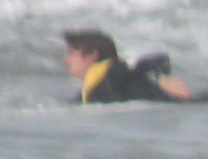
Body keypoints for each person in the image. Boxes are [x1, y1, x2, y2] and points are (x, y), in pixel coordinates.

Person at [59, 29, 197, 104]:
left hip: (190, 105)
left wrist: (161, 77)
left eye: (71, 53)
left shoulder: (114, 72)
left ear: (92, 55)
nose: (66, 60)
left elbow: (157, 59)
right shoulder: (93, 87)